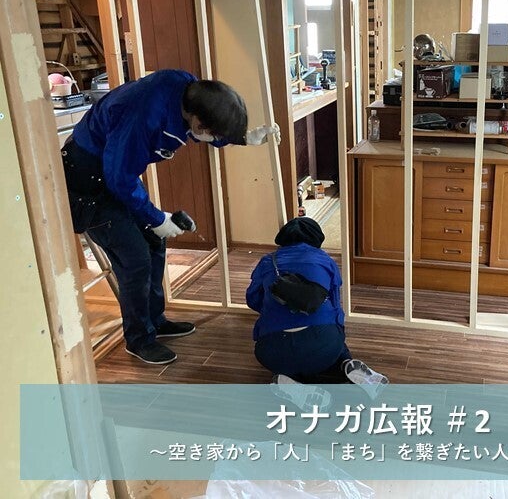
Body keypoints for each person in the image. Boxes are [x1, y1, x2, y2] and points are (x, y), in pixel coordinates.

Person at [61, 69, 279, 365]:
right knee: (135, 259)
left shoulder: (189, 91)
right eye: (214, 134)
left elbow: (199, 130)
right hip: (87, 183)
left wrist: (240, 138)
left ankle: (155, 321)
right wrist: (156, 217)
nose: (213, 139)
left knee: (154, 241)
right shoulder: (143, 116)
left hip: (113, 172)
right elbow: (119, 178)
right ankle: (139, 339)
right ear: (198, 121)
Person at [246, 217, 388, 396]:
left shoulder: (267, 262)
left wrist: (273, 309)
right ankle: (346, 363)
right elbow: (336, 306)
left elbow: (252, 299)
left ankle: (288, 379)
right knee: (331, 337)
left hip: (271, 352)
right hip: (323, 346)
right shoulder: (325, 261)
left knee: (285, 357)